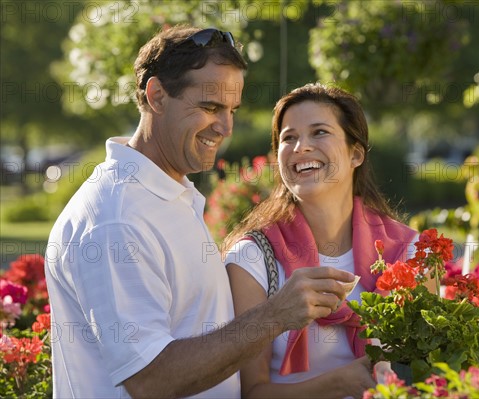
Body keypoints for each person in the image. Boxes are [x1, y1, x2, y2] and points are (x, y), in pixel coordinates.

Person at [44, 26, 355, 399]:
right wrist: (274, 315)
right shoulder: (116, 219)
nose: (225, 127)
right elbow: (151, 379)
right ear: (157, 96)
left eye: (231, 110)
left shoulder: (167, 192)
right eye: (210, 108)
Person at [224, 83, 420, 398]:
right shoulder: (252, 259)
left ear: (356, 154)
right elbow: (251, 393)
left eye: (319, 133)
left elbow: (432, 376)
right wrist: (341, 383)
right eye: (288, 137)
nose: (301, 146)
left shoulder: (409, 251)